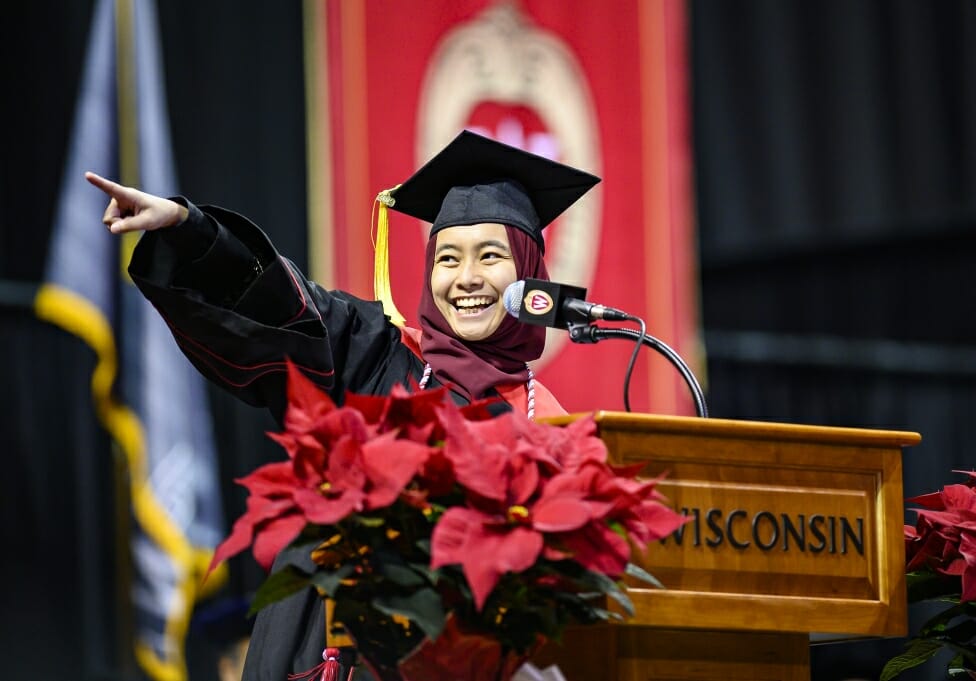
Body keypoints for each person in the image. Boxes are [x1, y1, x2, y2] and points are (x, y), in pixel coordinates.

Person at [85, 130, 600, 681]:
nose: (466, 278)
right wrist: (192, 232)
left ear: (530, 274)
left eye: (490, 256)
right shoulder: (375, 356)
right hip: (325, 653)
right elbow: (281, 306)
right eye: (447, 258)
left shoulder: (550, 426)